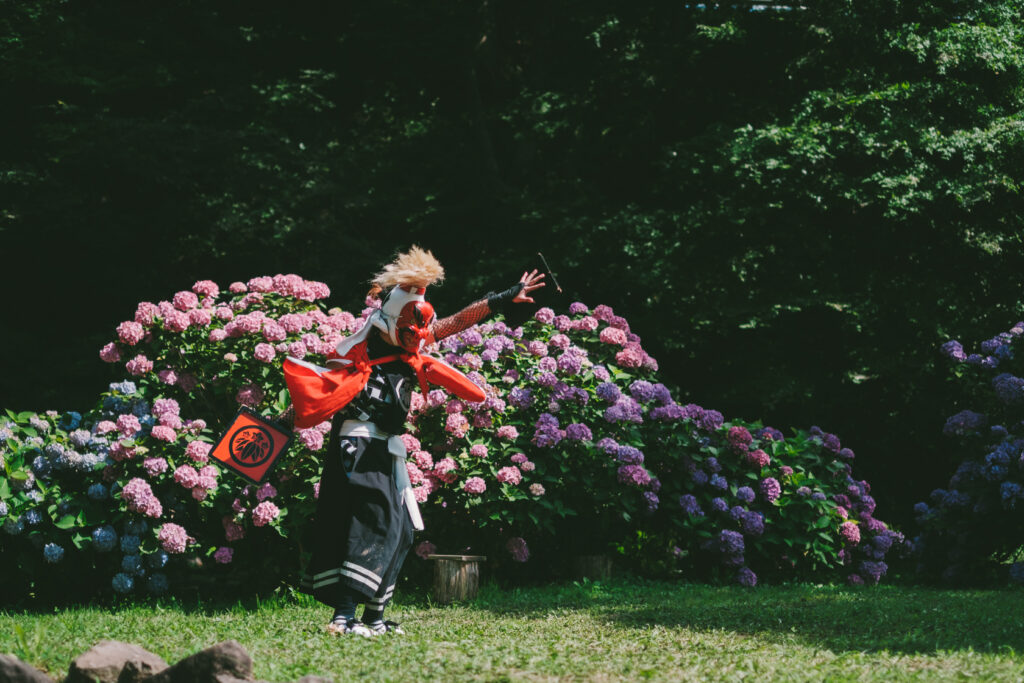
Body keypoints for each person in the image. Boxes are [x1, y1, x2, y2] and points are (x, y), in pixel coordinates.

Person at [283, 246, 544, 636]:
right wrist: (273, 427)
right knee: (374, 523)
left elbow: (453, 322)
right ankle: (343, 617)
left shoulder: (413, 345)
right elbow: (322, 389)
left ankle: (373, 618)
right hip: (358, 445)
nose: (419, 336)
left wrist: (505, 297)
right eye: (411, 328)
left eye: (421, 328)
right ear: (391, 319)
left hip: (386, 449)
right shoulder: (366, 349)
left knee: (401, 528)